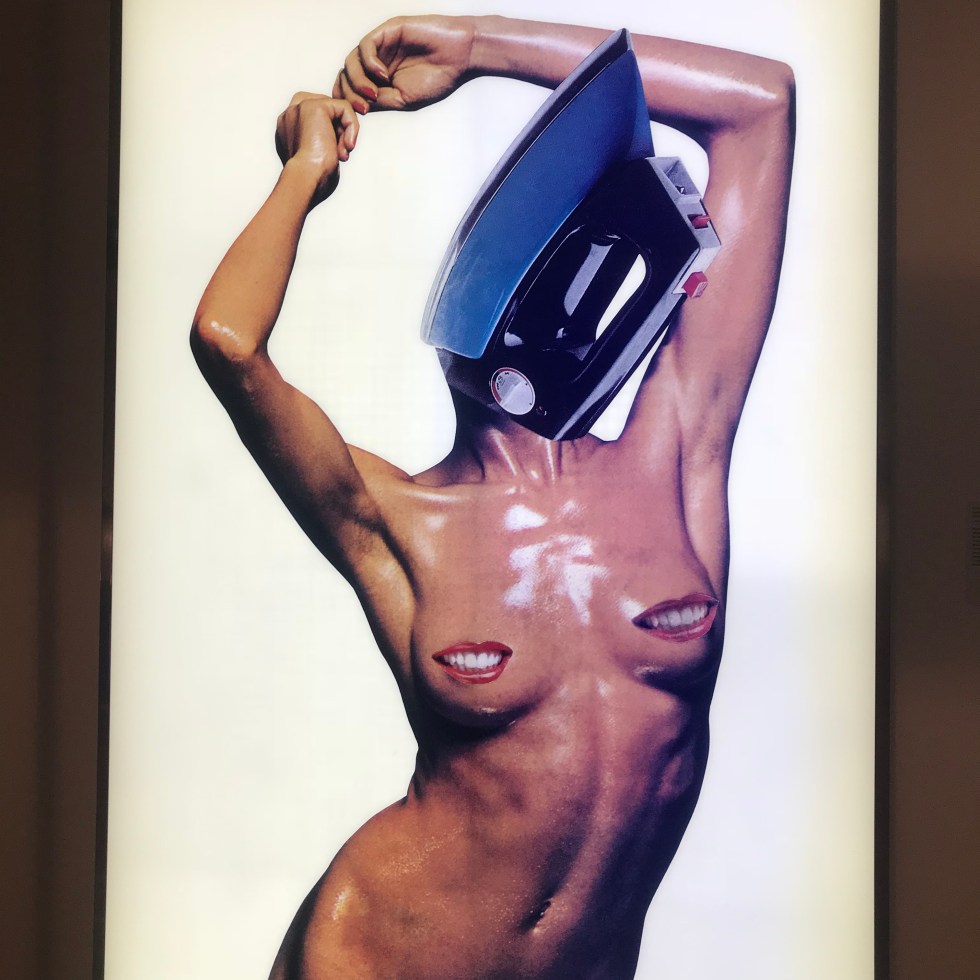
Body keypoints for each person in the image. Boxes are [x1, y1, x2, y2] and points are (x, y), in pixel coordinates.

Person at [191, 13, 794, 980]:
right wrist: (305, 172)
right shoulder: (396, 520)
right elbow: (229, 344)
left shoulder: (675, 452)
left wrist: (478, 50)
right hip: (376, 951)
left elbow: (761, 106)